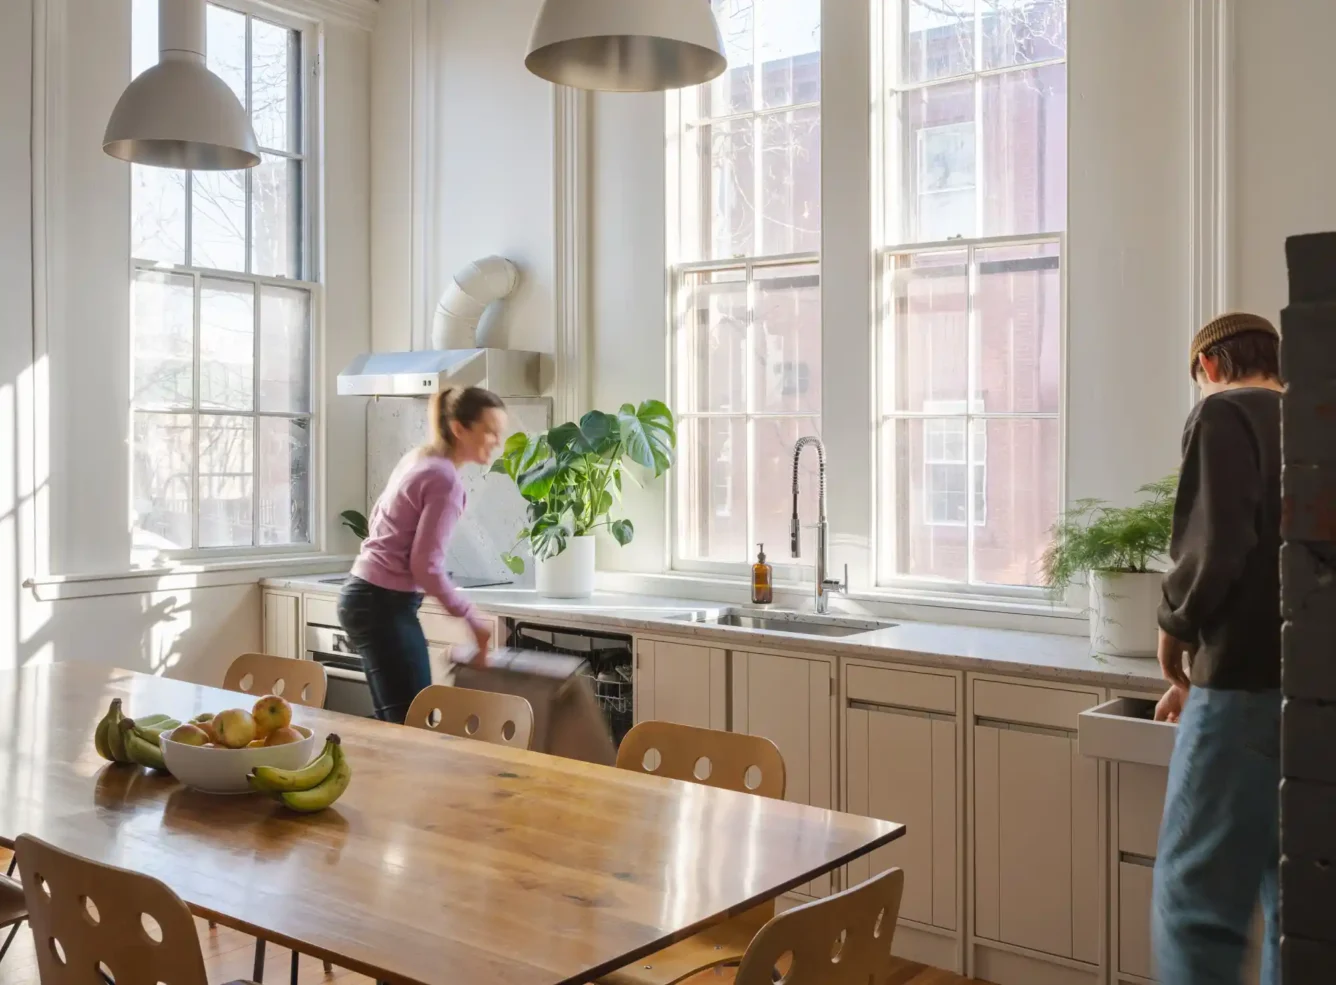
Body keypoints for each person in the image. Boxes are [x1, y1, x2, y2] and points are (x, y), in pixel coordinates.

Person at [1151, 313, 1284, 984]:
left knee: (1194, 902)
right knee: (1298, 899)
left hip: (1237, 690)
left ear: (1209, 365)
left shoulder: (1223, 415)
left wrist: (1173, 628)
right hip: (1310, 694)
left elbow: (1215, 548)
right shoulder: (1313, 422)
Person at [338, 386, 507, 723]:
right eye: (489, 431)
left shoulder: (418, 459)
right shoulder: (444, 480)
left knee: (397, 720)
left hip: (365, 595)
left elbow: (376, 520)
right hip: (384, 604)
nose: (496, 441)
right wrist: (471, 618)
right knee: (410, 724)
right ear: (460, 428)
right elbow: (424, 566)